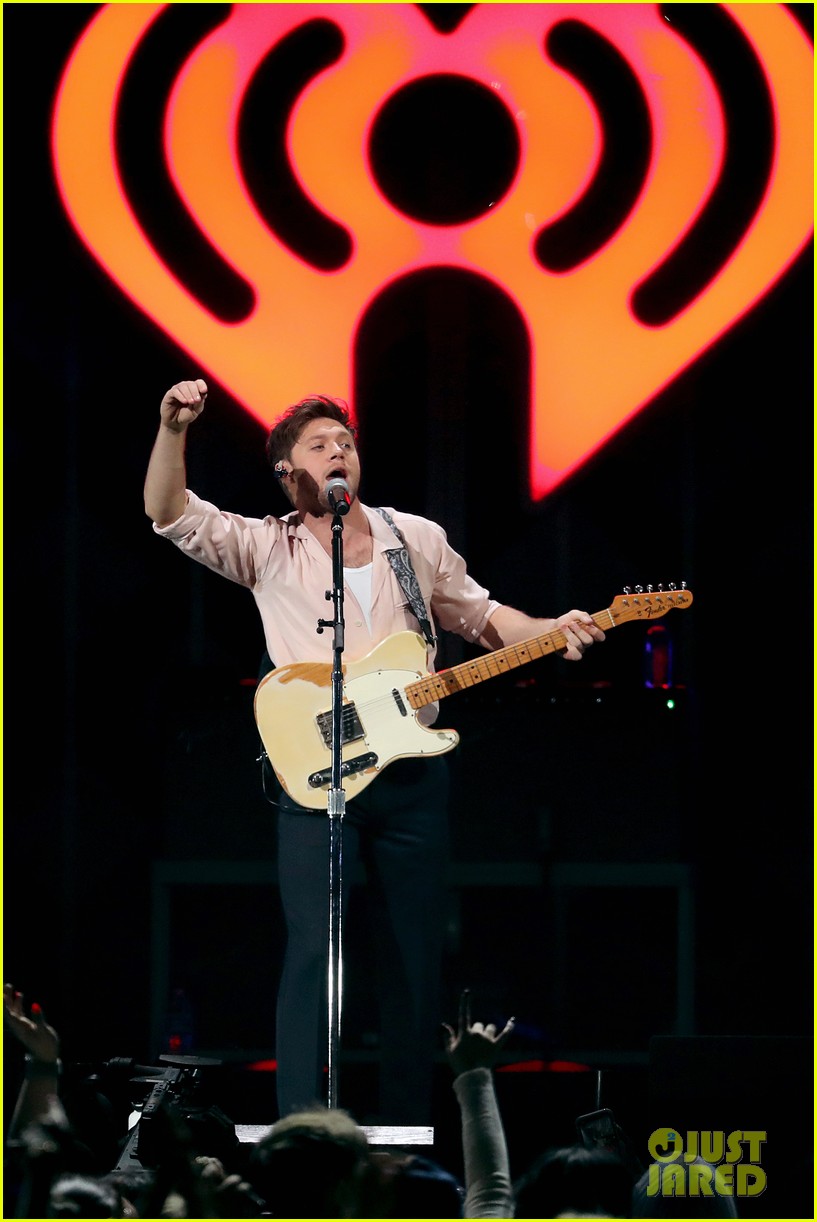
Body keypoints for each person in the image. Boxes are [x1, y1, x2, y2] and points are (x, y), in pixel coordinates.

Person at [144, 377, 606, 1125]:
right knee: (312, 955)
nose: (339, 453)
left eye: (346, 443)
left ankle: (405, 1126)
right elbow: (168, 512)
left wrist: (556, 626)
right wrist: (173, 428)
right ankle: (301, 1125)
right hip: (316, 774)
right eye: (320, 445)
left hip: (411, 779)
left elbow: (484, 619)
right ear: (288, 471)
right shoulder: (267, 546)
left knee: (412, 960)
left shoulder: (412, 540)